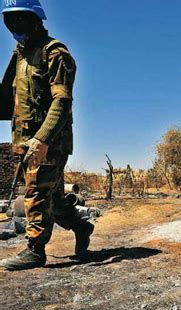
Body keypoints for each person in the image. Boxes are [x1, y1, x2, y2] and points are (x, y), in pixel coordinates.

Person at [0, 0, 94, 270]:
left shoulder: (55, 52)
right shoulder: (20, 56)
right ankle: (81, 226)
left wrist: (42, 139)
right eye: (10, 19)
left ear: (35, 18)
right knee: (53, 200)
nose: (15, 25)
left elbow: (62, 101)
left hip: (49, 141)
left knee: (36, 191)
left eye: (21, 18)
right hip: (26, 141)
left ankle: (35, 250)